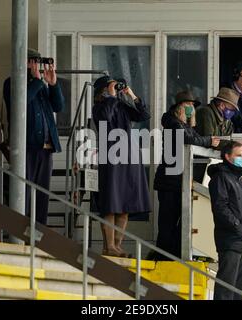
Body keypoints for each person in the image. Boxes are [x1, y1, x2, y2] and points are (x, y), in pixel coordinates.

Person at [153, 91, 220, 260]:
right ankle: (162, 257)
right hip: (169, 181)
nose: (191, 108)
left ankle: (172, 255)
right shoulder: (171, 122)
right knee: (167, 222)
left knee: (179, 222)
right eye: (188, 105)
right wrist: (209, 141)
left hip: (179, 181)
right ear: (179, 107)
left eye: (193, 106)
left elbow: (193, 136)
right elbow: (189, 139)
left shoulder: (185, 126)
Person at [3, 48, 65, 225]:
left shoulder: (41, 85)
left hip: (46, 148)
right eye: (34, 61)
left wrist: (53, 84)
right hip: (26, 147)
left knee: (42, 194)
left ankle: (39, 233)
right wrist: (37, 81)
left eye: (38, 62)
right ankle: (21, 232)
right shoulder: (12, 82)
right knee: (23, 192)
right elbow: (18, 104)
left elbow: (58, 106)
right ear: (25, 63)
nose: (37, 65)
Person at [92, 75, 151, 258]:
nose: (114, 89)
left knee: (124, 203)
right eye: (109, 87)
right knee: (111, 203)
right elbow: (105, 119)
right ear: (102, 90)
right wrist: (110, 97)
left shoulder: (121, 105)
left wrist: (131, 94)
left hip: (128, 157)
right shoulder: (99, 107)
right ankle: (108, 246)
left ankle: (117, 245)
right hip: (110, 157)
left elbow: (143, 115)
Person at [208, 141, 242, 300]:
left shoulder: (240, 181)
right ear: (227, 157)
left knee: (238, 289)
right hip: (230, 239)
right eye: (238, 155)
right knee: (226, 287)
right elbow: (220, 207)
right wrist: (237, 225)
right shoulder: (221, 178)